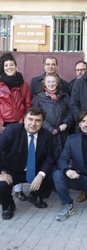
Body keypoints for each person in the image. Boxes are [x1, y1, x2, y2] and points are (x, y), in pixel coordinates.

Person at [0, 107, 54, 220]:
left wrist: (41, 175)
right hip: (11, 171)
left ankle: (35, 195)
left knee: (52, 173)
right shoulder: (12, 131)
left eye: (38, 120)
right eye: (30, 119)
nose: (33, 123)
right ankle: (8, 205)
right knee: (2, 184)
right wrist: (2, 172)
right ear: (24, 119)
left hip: (34, 170)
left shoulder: (47, 136)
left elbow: (49, 158)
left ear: (42, 122)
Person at [0, 52, 32, 202]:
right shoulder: (0, 84)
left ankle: (18, 189)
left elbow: (28, 105)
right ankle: (5, 184)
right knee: (5, 154)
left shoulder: (23, 84)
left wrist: (23, 121)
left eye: (11, 64)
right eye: (6, 65)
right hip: (4, 125)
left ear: (16, 66)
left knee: (19, 154)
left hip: (19, 124)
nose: (9, 67)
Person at [32, 73, 73, 161]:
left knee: (63, 159)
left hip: (63, 134)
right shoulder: (38, 98)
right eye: (49, 82)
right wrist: (50, 128)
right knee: (47, 159)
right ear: (45, 83)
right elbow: (36, 115)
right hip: (46, 133)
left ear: (57, 83)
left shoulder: (65, 96)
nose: (51, 84)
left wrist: (66, 123)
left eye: (54, 82)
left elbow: (71, 112)